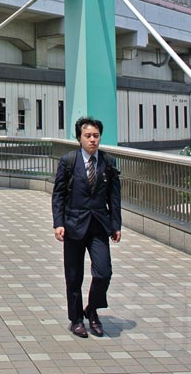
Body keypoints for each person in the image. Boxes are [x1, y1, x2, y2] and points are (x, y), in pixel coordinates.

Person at [51, 116, 121, 338]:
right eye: (88, 136)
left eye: (96, 136)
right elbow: (58, 194)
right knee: (74, 276)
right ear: (79, 138)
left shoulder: (108, 162)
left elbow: (114, 197)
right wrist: (58, 223)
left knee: (103, 272)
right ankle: (76, 319)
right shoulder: (69, 161)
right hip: (73, 224)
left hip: (99, 225)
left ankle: (92, 309)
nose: (92, 140)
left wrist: (116, 225)